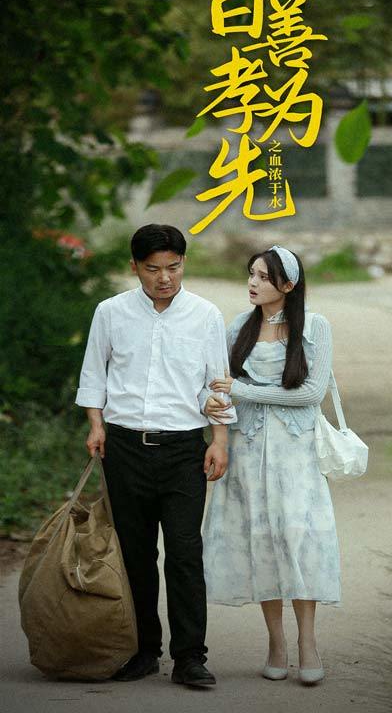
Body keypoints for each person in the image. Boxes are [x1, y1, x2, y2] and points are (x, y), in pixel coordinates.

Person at [75, 223, 236, 686]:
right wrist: (96, 424)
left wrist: (219, 440)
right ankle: (144, 650)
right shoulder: (111, 312)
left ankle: (190, 657)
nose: (164, 278)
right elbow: (94, 372)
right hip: (125, 447)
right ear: (135, 267)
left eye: (173, 267)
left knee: (184, 553)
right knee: (135, 554)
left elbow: (217, 382)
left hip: (184, 450)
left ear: (184, 263)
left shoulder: (205, 315)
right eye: (152, 269)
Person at [201, 245, 341, 685]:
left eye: (263, 277)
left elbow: (311, 393)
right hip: (246, 450)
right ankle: (276, 643)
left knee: (298, 538)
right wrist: (213, 402)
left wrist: (243, 390)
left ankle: (308, 643)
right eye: (251, 274)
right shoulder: (238, 328)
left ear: (288, 284)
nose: (253, 283)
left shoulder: (314, 326)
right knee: (260, 540)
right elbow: (216, 386)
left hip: (295, 455)